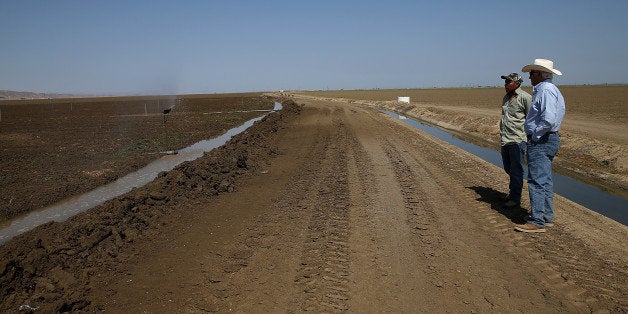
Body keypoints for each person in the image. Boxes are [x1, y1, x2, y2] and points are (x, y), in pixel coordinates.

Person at [515, 59, 565, 233]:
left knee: (536, 180)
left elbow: (549, 119)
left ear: (541, 74)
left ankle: (537, 221)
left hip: (542, 140)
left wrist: (535, 134)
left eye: (532, 73)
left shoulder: (545, 90)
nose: (529, 76)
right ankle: (546, 216)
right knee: (545, 179)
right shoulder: (550, 90)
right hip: (548, 139)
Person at [499, 73, 531, 208]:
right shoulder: (506, 98)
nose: (506, 84)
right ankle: (513, 193)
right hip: (505, 138)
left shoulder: (525, 97)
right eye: (505, 82)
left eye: (508, 82)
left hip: (517, 139)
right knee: (508, 167)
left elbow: (530, 118)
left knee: (516, 169)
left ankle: (515, 198)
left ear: (517, 83)